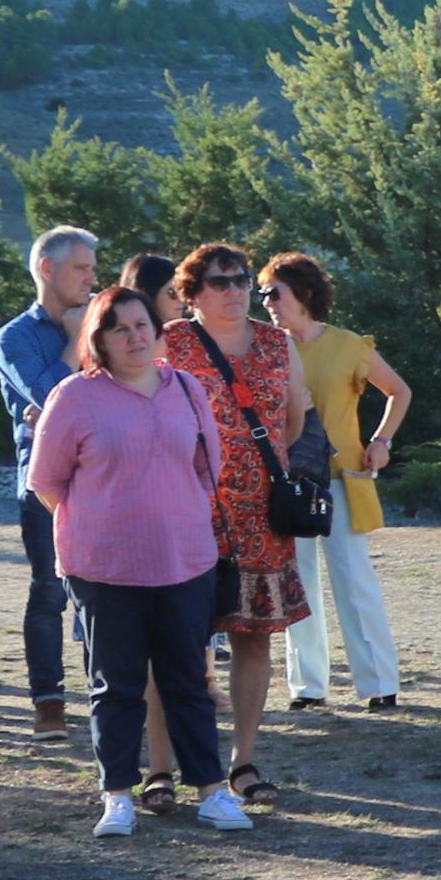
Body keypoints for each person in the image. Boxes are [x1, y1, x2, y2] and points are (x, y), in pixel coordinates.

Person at [30, 282, 255, 836]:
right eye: (119, 328)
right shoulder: (75, 397)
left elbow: (208, 468)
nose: (133, 337)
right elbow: (47, 484)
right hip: (103, 568)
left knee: (188, 682)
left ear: (157, 332)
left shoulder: (187, 389)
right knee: (117, 685)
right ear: (98, 339)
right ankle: (117, 796)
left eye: (142, 326)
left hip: (186, 560)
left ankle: (210, 792)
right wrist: (106, 520)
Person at [161, 243, 311, 807]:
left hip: (261, 515)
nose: (235, 290)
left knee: (253, 639)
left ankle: (243, 762)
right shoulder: (170, 342)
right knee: (173, 642)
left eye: (242, 279)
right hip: (186, 510)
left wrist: (253, 467)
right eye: (220, 282)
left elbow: (293, 420)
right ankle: (160, 767)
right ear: (191, 292)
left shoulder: (277, 343)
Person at [262, 251, 408, 715]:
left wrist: (382, 440)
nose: (265, 300)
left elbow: (399, 391)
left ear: (303, 294)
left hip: (343, 480)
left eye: (274, 291)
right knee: (297, 584)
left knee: (353, 580)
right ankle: (307, 687)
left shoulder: (348, 345)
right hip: (286, 485)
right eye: (262, 292)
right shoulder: (265, 347)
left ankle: (380, 683)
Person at [0, 223, 99, 739]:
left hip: (104, 480)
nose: (91, 278)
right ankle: (49, 705)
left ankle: (108, 698)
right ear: (47, 269)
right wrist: (79, 341)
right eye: (81, 268)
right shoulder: (15, 336)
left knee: (104, 594)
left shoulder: (107, 322)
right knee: (49, 593)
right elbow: (50, 393)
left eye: (93, 268)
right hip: (45, 485)